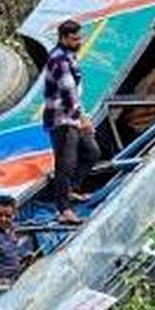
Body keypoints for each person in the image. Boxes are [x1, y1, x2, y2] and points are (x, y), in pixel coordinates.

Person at [43, 19, 101, 225]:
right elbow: (69, 95)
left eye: (80, 37)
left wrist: (82, 117)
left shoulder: (69, 56)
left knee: (92, 152)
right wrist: (84, 119)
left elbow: (75, 92)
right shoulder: (59, 60)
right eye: (75, 39)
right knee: (65, 164)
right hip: (62, 120)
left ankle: (70, 190)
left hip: (72, 117)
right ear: (63, 38)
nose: (80, 41)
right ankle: (64, 210)